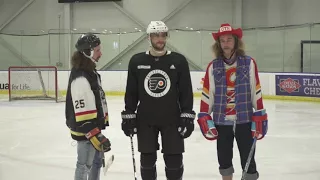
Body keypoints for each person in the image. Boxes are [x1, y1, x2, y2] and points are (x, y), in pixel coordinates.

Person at [121, 21, 196, 180]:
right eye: (156, 35)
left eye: (163, 35)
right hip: (146, 119)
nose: (160, 39)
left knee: (174, 162)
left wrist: (187, 115)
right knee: (147, 162)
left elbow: (185, 91)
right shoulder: (137, 61)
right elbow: (132, 92)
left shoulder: (179, 61)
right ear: (149, 37)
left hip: (172, 119)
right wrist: (129, 114)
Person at [197, 23, 268, 180]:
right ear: (219, 44)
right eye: (222, 40)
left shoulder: (248, 63)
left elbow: (255, 89)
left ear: (236, 41)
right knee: (224, 160)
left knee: (249, 162)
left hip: (245, 120)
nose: (226, 43)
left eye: (229, 39)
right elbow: (208, 93)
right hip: (222, 122)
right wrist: (204, 115)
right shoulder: (213, 67)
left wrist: (260, 112)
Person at [65, 32, 111, 180]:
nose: (101, 53)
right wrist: (96, 135)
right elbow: (83, 113)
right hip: (87, 130)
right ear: (88, 52)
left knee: (93, 163)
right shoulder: (81, 76)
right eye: (97, 50)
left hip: (91, 128)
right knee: (84, 164)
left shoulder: (89, 72)